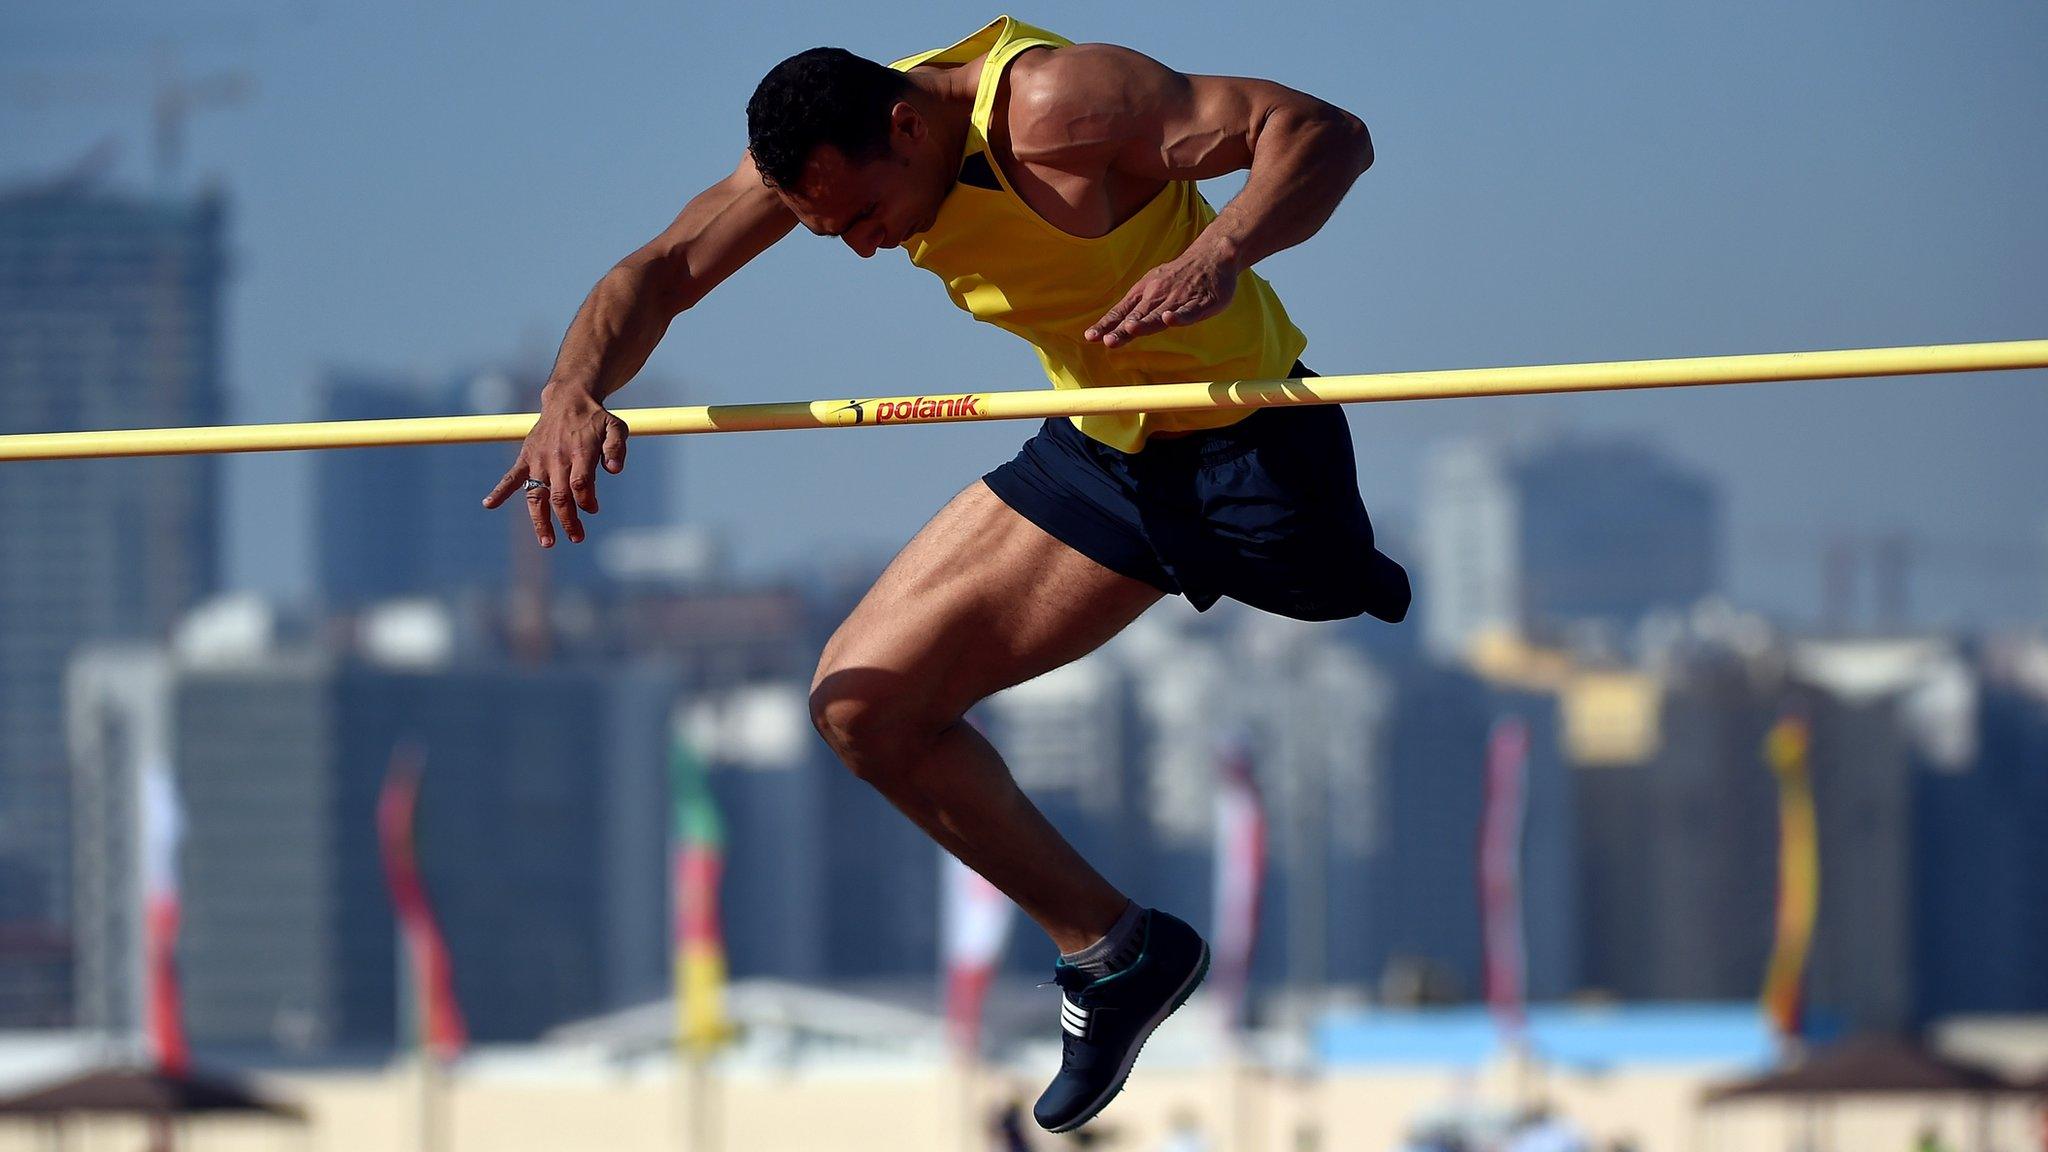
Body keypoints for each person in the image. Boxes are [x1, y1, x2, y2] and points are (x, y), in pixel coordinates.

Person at [482, 16, 1409, 1132]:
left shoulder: (1063, 109)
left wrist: (1220, 251)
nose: (866, 247)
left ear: (908, 126)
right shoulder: (815, 155)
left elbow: (1322, 134)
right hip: (1101, 442)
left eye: (865, 216)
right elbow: (663, 269)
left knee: (1319, 573)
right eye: (831, 232)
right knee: (862, 709)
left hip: (1240, 436)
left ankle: (1343, 563)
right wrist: (570, 389)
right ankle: (1118, 953)